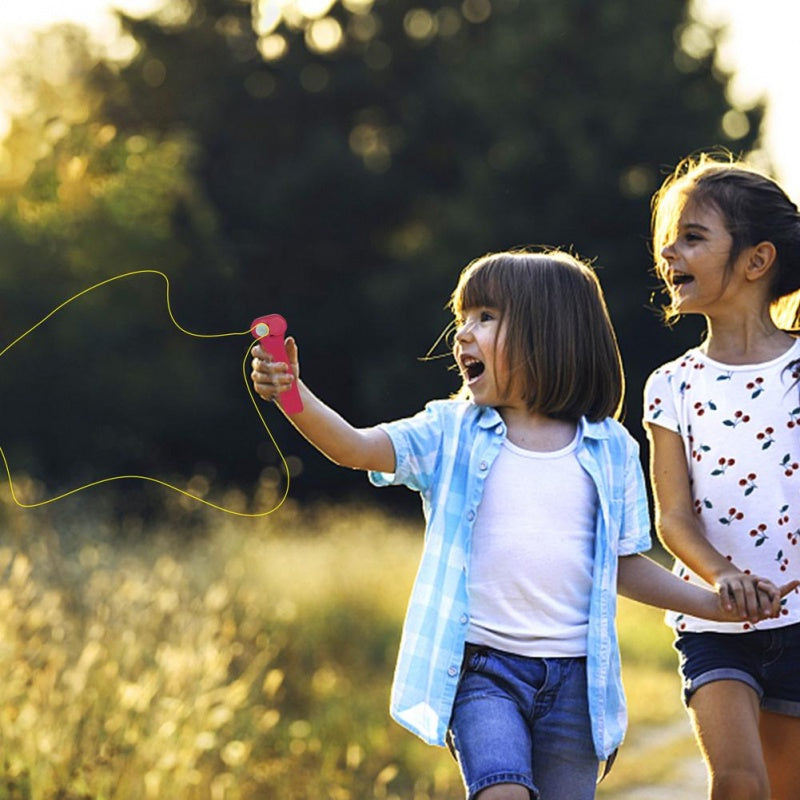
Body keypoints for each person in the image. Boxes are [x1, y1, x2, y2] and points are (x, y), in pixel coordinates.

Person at [252, 249, 791, 800]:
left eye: (485, 317)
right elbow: (355, 448)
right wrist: (292, 393)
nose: (462, 334)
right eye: (463, 317)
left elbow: (624, 567)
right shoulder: (450, 431)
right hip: (483, 673)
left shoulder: (611, 449)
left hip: (577, 685)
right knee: (501, 793)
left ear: (550, 334)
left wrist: (710, 604)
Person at [643, 152, 800, 800]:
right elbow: (673, 516)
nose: (669, 253)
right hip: (713, 625)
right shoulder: (670, 386)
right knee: (737, 781)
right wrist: (724, 578)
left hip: (798, 621)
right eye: (668, 240)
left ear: (756, 261)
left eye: (693, 237)